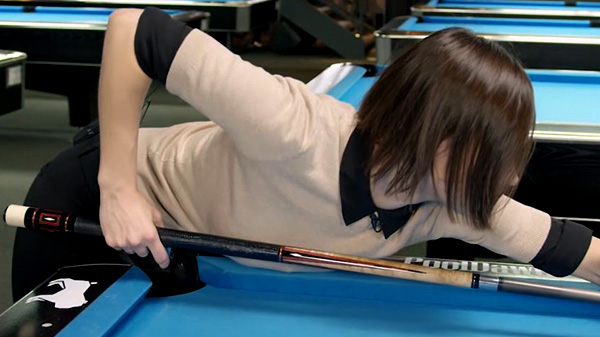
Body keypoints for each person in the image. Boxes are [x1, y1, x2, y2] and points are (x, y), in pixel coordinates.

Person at [12, 7, 599, 301]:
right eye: (493, 152)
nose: (513, 175)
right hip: (92, 197)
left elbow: (570, 249)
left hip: (180, 236)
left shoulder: (453, 199)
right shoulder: (288, 125)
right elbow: (135, 30)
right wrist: (119, 188)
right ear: (432, 137)